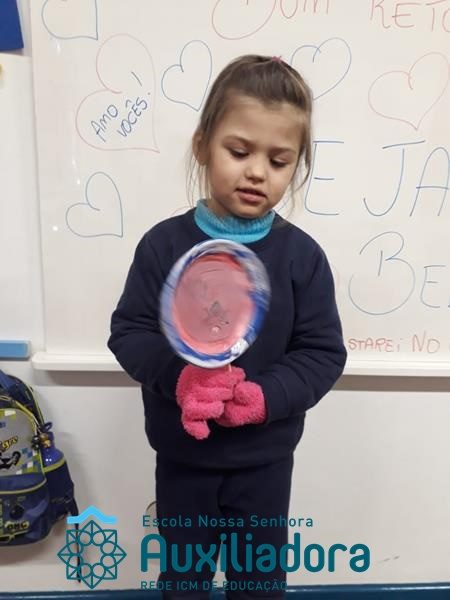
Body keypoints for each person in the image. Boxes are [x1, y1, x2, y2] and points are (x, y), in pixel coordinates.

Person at [108, 54, 347, 599]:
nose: (258, 171)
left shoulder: (302, 257)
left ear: (297, 166)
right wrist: (181, 379)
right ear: (202, 146)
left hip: (264, 463)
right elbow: (131, 332)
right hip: (182, 458)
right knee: (183, 581)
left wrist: (264, 397)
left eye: (280, 160)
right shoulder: (162, 245)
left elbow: (321, 353)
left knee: (258, 583)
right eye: (239, 152)